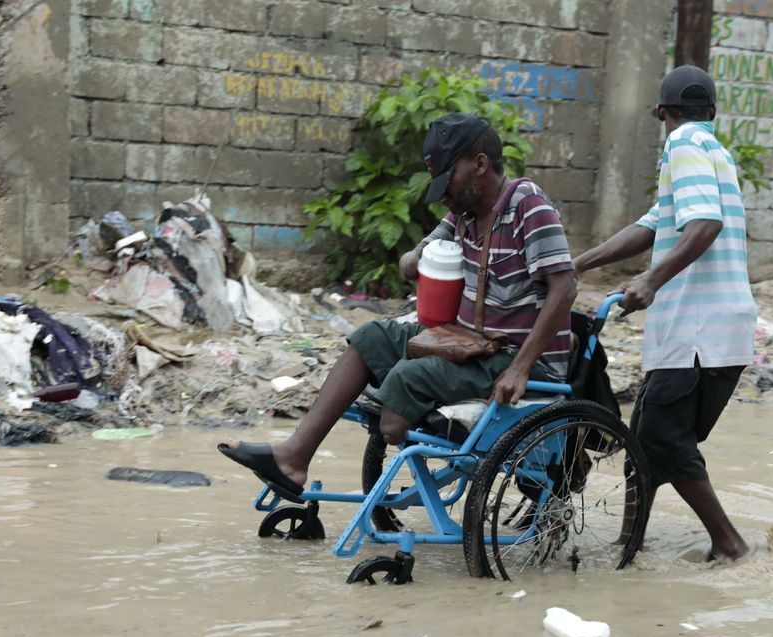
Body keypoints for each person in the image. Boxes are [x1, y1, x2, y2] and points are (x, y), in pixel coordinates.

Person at [220, 113, 577, 511]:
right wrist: (416, 258)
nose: (444, 195)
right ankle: (294, 458)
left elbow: (565, 289)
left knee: (408, 379)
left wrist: (520, 368)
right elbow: (414, 257)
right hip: (473, 345)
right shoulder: (463, 215)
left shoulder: (529, 207)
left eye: (449, 180)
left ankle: (401, 431)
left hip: (519, 356)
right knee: (371, 337)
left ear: (479, 164)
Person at [572, 65, 756, 561]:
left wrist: (651, 280)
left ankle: (729, 544)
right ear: (712, 112)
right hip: (725, 331)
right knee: (647, 444)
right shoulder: (716, 153)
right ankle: (629, 543)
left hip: (695, 333)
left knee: (661, 439)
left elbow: (704, 225)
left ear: (660, 113)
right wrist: (579, 264)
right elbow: (654, 224)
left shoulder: (682, 147)